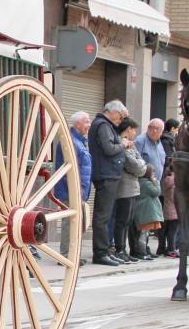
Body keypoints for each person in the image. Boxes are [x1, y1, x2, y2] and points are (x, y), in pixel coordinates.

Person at [88, 100, 130, 267]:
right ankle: (100, 252)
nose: (120, 121)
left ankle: (104, 251)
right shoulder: (103, 125)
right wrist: (123, 144)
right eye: (120, 117)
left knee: (105, 216)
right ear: (112, 112)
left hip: (109, 173)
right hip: (106, 174)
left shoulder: (104, 125)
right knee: (102, 216)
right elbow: (108, 149)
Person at [53, 111, 92, 266]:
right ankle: (66, 254)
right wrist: (75, 189)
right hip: (71, 189)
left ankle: (73, 253)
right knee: (70, 222)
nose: (89, 125)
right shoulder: (71, 141)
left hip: (78, 189)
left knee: (78, 222)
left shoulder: (79, 141)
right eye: (86, 121)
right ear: (77, 124)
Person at [113, 118, 145, 263]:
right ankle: (120, 249)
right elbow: (134, 165)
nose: (135, 133)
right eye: (134, 130)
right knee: (122, 220)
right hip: (124, 188)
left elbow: (140, 161)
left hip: (133, 187)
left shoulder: (132, 145)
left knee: (128, 220)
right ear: (128, 129)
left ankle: (124, 250)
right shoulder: (122, 143)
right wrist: (141, 167)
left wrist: (141, 166)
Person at [158, 118, 180, 257]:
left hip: (167, 203)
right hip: (171, 206)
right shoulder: (167, 140)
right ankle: (171, 248)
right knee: (171, 227)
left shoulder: (165, 140)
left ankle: (164, 247)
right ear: (173, 128)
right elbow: (168, 158)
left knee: (165, 226)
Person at [133, 165, 163, 235]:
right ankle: (142, 245)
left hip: (142, 211)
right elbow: (156, 192)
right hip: (147, 212)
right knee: (144, 232)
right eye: (153, 173)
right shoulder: (147, 184)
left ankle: (140, 245)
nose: (154, 175)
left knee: (142, 231)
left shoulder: (139, 182)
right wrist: (157, 183)